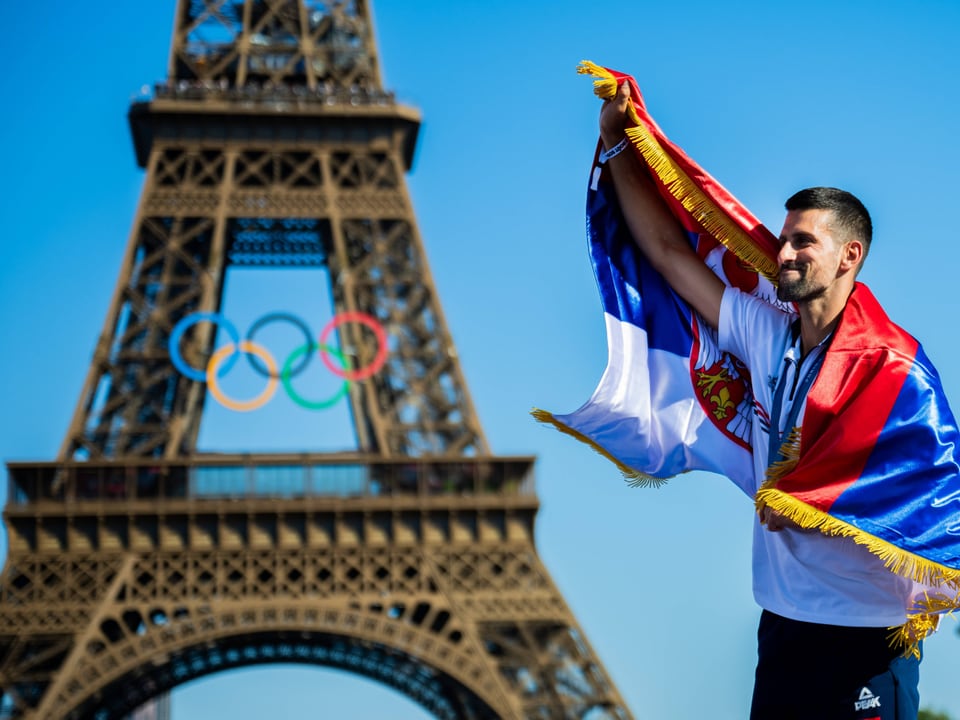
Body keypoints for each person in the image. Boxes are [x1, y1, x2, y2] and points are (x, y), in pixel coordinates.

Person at [598, 80, 924, 719]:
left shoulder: (894, 367)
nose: (784, 253)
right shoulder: (764, 331)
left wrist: (803, 499)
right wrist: (616, 145)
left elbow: (915, 485)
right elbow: (666, 253)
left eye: (805, 242)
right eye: (784, 239)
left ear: (849, 256)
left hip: (869, 634)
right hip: (783, 622)